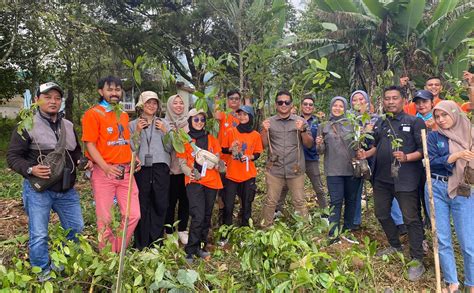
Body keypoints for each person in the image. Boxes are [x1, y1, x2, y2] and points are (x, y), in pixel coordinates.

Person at [7, 82, 88, 280]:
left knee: (76, 229)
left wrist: (81, 160)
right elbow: (13, 157)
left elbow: (75, 150)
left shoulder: (68, 125)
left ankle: (60, 263)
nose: (53, 101)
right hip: (39, 190)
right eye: (47, 97)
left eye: (57, 98)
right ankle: (42, 271)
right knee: (39, 235)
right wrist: (30, 169)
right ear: (37, 100)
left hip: (66, 190)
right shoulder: (27, 125)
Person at [357, 86, 426, 281]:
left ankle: (417, 259)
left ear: (403, 100)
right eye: (387, 98)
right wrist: (365, 152)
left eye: (395, 98)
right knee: (381, 213)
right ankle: (395, 245)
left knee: (411, 219)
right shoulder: (381, 122)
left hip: (406, 179)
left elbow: (423, 150)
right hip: (382, 178)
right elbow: (376, 146)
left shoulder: (415, 122)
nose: (390, 101)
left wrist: (406, 156)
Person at [81, 76, 140, 252]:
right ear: (101, 92)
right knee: (105, 219)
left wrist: (133, 158)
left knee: (133, 215)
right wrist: (106, 167)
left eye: (117, 89)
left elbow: (123, 141)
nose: (114, 93)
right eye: (110, 89)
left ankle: (115, 250)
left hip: (126, 172)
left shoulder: (122, 114)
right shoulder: (93, 114)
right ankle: (107, 257)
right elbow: (89, 144)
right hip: (104, 172)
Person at [426, 100, 474, 293]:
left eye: (444, 115)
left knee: (467, 240)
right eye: (437, 116)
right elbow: (431, 162)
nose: (441, 120)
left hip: (463, 189)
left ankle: (471, 283)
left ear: (454, 113)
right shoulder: (433, 136)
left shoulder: (470, 133)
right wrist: (455, 156)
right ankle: (451, 282)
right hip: (436, 187)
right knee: (442, 238)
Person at [349, 90, 405, 233]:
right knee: (355, 189)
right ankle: (354, 221)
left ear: (367, 102)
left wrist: (369, 131)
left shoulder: (377, 120)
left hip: (376, 159)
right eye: (354, 100)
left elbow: (382, 139)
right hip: (357, 159)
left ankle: (399, 222)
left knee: (386, 189)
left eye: (361, 99)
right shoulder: (349, 121)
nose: (358, 102)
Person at [260, 90, 313, 227]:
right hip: (275, 169)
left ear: (291, 104)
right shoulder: (269, 122)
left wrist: (302, 130)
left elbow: (309, 144)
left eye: (286, 102)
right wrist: (264, 131)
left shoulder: (300, 122)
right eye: (280, 102)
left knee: (299, 201)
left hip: (295, 169)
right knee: (271, 201)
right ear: (276, 105)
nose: (283, 104)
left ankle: (304, 230)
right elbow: (263, 145)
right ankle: (266, 230)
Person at [176, 108, 223, 263]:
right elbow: (182, 163)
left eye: (202, 120)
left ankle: (200, 247)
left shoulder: (212, 139)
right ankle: (190, 249)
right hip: (194, 182)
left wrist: (219, 165)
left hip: (212, 181)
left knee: (207, 215)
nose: (199, 123)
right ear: (190, 121)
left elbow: (217, 161)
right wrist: (190, 171)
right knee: (198, 215)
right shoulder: (185, 140)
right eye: (196, 119)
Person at [129, 91, 172, 249]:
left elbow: (170, 147)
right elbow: (132, 148)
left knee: (160, 204)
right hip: (142, 169)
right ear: (141, 105)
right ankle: (140, 243)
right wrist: (138, 131)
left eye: (154, 103)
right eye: (148, 103)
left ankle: (156, 242)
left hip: (160, 167)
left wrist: (166, 132)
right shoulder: (133, 124)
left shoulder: (163, 123)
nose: (151, 106)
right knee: (142, 204)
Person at [316, 96, 361, 243]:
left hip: (351, 169)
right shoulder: (324, 126)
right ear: (331, 107)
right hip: (333, 170)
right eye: (335, 105)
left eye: (341, 106)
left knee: (351, 200)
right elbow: (320, 151)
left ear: (345, 108)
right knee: (335, 201)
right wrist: (319, 143)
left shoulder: (352, 124)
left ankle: (347, 231)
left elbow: (358, 146)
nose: (337, 108)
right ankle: (333, 234)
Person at [277, 95, 327, 214]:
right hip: (295, 159)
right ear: (301, 106)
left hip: (311, 158)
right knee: (285, 185)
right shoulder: (293, 119)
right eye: (305, 104)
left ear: (313, 107)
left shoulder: (318, 122)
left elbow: (321, 139)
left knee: (318, 186)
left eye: (310, 104)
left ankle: (325, 212)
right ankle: (277, 210)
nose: (308, 106)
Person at [220, 105, 263, 232]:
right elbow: (223, 149)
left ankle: (245, 232)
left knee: (247, 205)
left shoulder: (255, 135)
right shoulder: (231, 132)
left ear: (250, 117)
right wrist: (231, 149)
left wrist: (250, 157)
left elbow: (258, 152)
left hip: (248, 174)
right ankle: (226, 231)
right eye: (240, 114)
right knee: (228, 205)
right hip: (232, 174)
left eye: (245, 114)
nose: (242, 117)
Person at [164, 94, 190, 245]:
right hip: (170, 169)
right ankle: (169, 231)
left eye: (181, 103)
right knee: (170, 201)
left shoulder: (188, 123)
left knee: (185, 200)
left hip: (185, 168)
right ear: (169, 105)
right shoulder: (163, 123)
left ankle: (182, 229)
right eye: (175, 103)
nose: (179, 106)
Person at [215, 90, 241, 224]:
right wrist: (216, 101)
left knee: (234, 189)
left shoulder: (242, 116)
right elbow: (216, 115)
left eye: (237, 99)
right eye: (231, 99)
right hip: (223, 158)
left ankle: (237, 214)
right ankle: (222, 216)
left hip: (236, 160)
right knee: (222, 189)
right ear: (227, 101)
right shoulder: (224, 115)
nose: (234, 101)